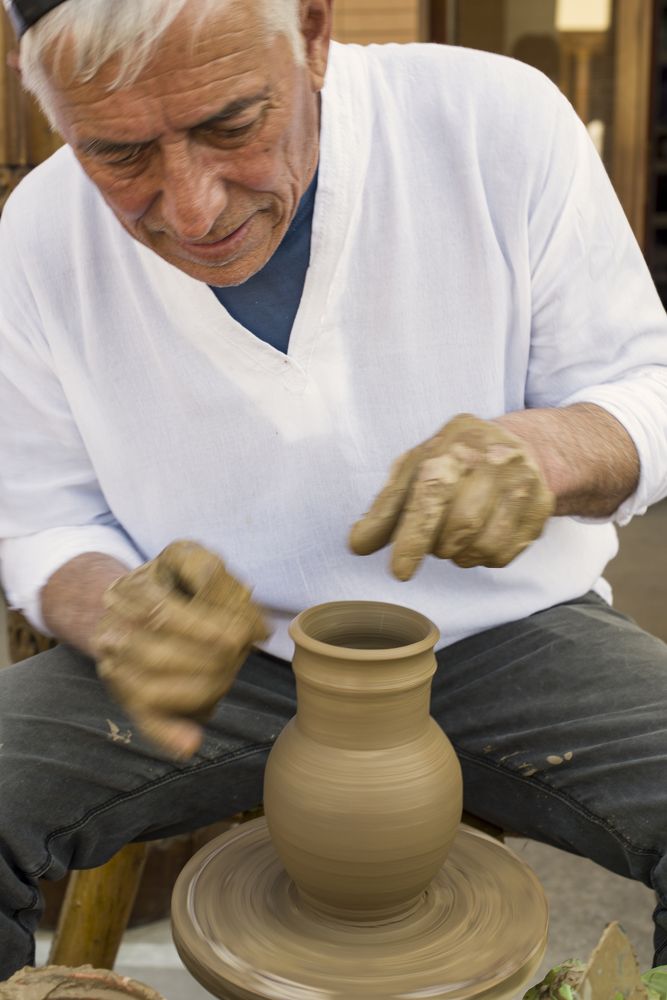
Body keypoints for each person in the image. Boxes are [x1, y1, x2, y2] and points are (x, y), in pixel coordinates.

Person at [1, 0, 666, 979]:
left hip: (509, 631)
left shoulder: (494, 123)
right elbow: (37, 511)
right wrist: (110, 604)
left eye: (231, 125)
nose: (193, 208)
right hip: (222, 657)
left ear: (311, 31)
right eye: (118, 154)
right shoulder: (41, 229)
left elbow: (643, 387)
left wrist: (549, 450)